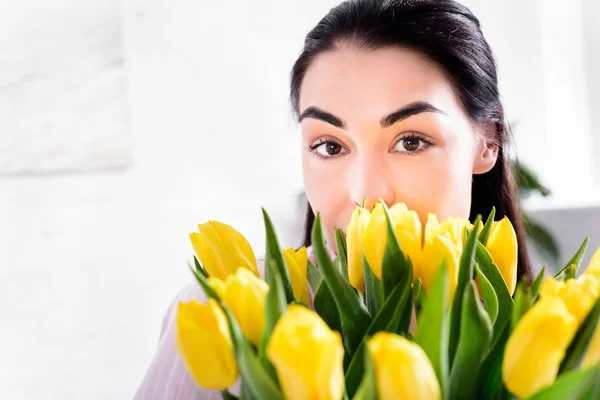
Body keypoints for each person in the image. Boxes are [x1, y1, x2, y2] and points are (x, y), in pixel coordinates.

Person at [134, 0, 532, 398]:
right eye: (330, 146)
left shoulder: (544, 341)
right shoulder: (226, 314)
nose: (366, 193)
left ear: (488, 142)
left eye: (411, 142)